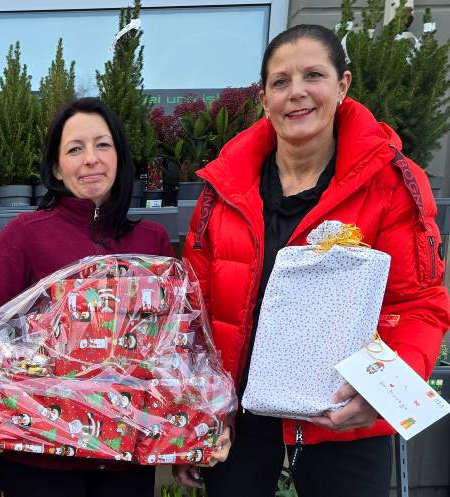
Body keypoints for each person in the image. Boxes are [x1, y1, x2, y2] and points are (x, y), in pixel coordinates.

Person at [180, 24, 450, 497]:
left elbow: (420, 303)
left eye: (314, 76)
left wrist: (381, 395)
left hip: (345, 413)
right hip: (238, 418)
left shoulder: (390, 183)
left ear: (343, 85)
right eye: (280, 82)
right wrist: (193, 414)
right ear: (263, 97)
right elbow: (194, 309)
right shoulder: (223, 189)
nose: (297, 93)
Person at [0, 97, 213, 497]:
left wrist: (190, 421)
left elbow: (176, 349)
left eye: (103, 145)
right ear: (55, 167)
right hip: (40, 456)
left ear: (120, 155)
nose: (91, 159)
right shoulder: (26, 235)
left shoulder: (150, 240)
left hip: (126, 455)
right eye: (75, 149)